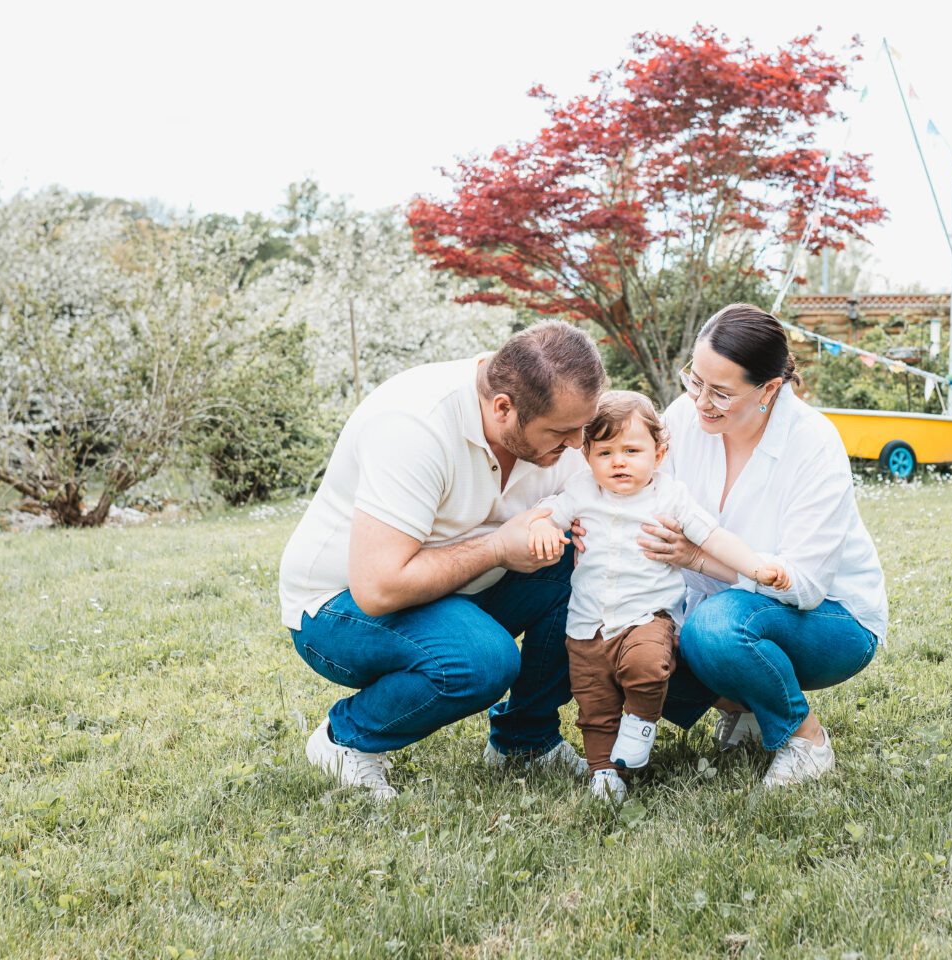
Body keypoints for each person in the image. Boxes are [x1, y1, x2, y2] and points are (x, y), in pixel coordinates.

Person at [278, 321, 606, 801]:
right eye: (561, 432)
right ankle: (345, 738)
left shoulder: (554, 422)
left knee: (581, 556)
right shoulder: (414, 424)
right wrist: (498, 548)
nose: (577, 444)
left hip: (459, 589)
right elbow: (378, 588)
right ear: (503, 409)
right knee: (483, 660)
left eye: (583, 427)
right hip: (338, 607)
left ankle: (526, 739)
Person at [640, 303, 888, 789]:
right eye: (694, 380)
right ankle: (748, 707)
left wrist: (698, 559)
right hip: (717, 608)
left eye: (720, 392)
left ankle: (805, 738)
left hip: (831, 620)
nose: (701, 401)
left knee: (713, 629)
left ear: (769, 389)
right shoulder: (682, 419)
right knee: (627, 636)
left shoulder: (813, 442)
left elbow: (805, 585)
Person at [526, 391, 789, 802]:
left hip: (647, 617)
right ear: (587, 457)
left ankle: (640, 722)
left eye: (632, 451)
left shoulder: (670, 496)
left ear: (659, 454)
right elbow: (547, 513)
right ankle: (604, 773)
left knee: (648, 666)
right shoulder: (581, 491)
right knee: (594, 706)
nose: (618, 462)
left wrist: (755, 566)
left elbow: (712, 536)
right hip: (587, 626)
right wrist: (543, 526)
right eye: (605, 452)